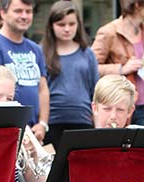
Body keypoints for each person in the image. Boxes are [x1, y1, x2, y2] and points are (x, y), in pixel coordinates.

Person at [0, 0, 49, 142]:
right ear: (3, 13)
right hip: (5, 131)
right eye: (18, 11)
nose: (24, 16)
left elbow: (42, 88)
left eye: (28, 11)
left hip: (33, 132)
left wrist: (42, 124)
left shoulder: (35, 48)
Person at [91, 0, 144, 127]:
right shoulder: (108, 32)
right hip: (117, 105)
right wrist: (122, 69)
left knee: (143, 146)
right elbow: (92, 67)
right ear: (138, 4)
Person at [41, 0, 99, 149]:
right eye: (61, 24)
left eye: (72, 24)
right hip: (51, 122)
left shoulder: (87, 53)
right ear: (51, 25)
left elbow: (95, 90)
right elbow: (40, 90)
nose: (67, 29)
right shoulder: (41, 52)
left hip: (83, 120)